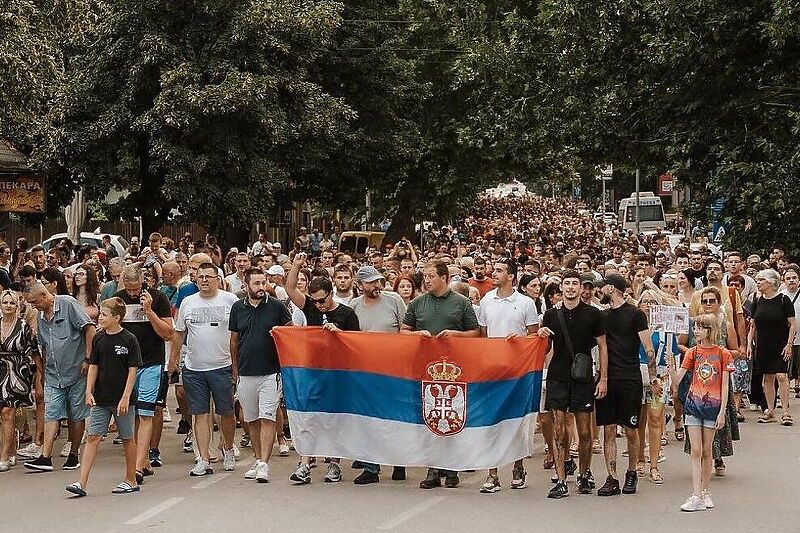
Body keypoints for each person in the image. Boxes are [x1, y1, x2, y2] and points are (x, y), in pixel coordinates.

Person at [401, 260, 480, 489]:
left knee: (453, 416)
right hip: (426, 369)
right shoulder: (417, 303)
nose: (426, 280)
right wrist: (418, 334)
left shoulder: (461, 303)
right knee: (430, 417)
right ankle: (433, 468)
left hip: (455, 370)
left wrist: (456, 335)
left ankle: (452, 467)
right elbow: (403, 331)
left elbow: (475, 333)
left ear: (444, 277)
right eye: (424, 276)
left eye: (431, 276)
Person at [285, 252, 360, 484]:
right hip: (313, 371)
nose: (319, 305)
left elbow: (358, 345)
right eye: (315, 301)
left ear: (331, 294)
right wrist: (296, 266)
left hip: (338, 374)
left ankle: (335, 465)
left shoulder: (347, 313)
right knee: (309, 417)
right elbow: (290, 290)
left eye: (322, 300)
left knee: (335, 419)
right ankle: (305, 463)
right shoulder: (310, 308)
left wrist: (340, 334)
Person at [538, 270, 606, 498]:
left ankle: (585, 473)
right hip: (558, 376)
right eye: (566, 284)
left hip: (583, 378)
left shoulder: (593, 314)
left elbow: (603, 346)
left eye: (574, 284)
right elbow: (545, 349)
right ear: (561, 288)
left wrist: (603, 378)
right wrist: (542, 336)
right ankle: (560, 479)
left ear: (581, 288)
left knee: (585, 432)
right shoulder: (550, 315)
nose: (570, 288)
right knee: (559, 432)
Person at [64, 298, 142, 497]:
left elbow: (132, 370)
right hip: (101, 398)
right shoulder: (98, 338)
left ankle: (131, 479)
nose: (100, 317)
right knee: (93, 437)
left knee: (127, 438)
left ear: (117, 318)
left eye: (105, 314)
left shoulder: (129, 339)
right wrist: (89, 391)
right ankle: (82, 482)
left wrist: (125, 397)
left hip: (122, 399)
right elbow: (93, 366)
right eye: (100, 313)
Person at [168, 262, 239, 477]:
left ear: (218, 279)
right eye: (201, 277)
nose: (205, 280)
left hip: (222, 366)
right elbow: (179, 333)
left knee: (225, 412)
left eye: (209, 276)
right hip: (194, 368)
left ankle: (227, 447)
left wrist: (237, 365)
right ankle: (203, 458)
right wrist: (173, 360)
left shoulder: (230, 300)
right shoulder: (188, 302)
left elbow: (238, 334)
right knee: (199, 413)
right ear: (195, 280)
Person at [477, 259, 541, 494]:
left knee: (516, 421)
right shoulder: (486, 301)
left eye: (500, 270)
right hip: (493, 371)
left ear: (511, 276)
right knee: (492, 421)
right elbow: (484, 337)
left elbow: (535, 338)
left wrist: (520, 341)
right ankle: (492, 474)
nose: (494, 273)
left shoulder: (525, 303)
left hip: (518, 372)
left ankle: (518, 467)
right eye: (495, 269)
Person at [22, 282, 96, 472]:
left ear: (44, 296)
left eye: (34, 302)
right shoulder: (40, 315)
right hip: (54, 372)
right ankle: (45, 457)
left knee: (76, 414)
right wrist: (43, 372)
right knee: (51, 413)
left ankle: (73, 453)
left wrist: (88, 358)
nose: (33, 306)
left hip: (76, 370)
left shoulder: (67, 304)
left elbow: (89, 329)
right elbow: (44, 345)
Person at [594, 273, 655, 496]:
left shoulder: (636, 314)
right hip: (607, 379)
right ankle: (612, 477)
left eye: (603, 288)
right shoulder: (602, 316)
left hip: (630, 378)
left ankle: (632, 473)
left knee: (631, 429)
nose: (600, 291)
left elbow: (648, 347)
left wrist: (654, 377)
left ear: (612, 288)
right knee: (608, 429)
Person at [230, 267, 292, 484]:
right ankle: (257, 459)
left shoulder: (277, 307)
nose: (260, 287)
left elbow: (290, 333)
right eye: (255, 283)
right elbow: (234, 341)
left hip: (271, 373)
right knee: (252, 419)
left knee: (267, 417)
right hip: (246, 373)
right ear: (246, 285)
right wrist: (235, 370)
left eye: (263, 282)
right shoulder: (237, 308)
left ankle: (264, 464)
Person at [348, 265, 408, 484]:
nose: (376, 286)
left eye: (379, 281)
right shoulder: (354, 305)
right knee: (368, 420)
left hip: (393, 371)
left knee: (395, 418)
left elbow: (406, 330)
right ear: (360, 285)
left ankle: (398, 461)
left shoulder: (394, 300)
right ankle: (371, 467)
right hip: (365, 372)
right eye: (371, 282)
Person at [114, 266, 174, 482]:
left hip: (151, 363)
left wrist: (149, 311)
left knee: (146, 412)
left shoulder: (158, 298)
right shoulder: (118, 299)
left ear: (144, 283)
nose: (132, 293)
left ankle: (139, 465)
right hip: (125, 366)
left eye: (136, 288)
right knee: (130, 414)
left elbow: (168, 334)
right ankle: (144, 461)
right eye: (128, 289)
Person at [674, 314, 732, 512]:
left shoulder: (723, 354)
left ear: (710, 329)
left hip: (712, 407)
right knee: (696, 450)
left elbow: (725, 385)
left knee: (707, 451)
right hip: (693, 405)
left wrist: (722, 412)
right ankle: (696, 494)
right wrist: (671, 367)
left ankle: (705, 490)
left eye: (700, 327)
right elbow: (678, 379)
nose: (696, 331)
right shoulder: (692, 352)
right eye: (695, 327)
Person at [0, 290, 40, 471]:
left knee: (7, 413)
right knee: (2, 415)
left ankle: (4, 456)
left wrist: (40, 374)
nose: (8, 305)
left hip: (17, 371)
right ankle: (12, 450)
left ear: (17, 306)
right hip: (0, 370)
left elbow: (33, 350)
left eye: (11, 303)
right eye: (5, 302)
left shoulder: (23, 326)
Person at [749, 269, 796, 425]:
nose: (758, 282)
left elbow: (792, 324)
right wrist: (749, 343)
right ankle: (770, 411)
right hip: (763, 345)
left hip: (781, 344)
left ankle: (785, 412)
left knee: (781, 376)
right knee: (767, 378)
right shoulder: (757, 299)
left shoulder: (783, 300)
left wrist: (789, 344)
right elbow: (753, 325)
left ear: (770, 282)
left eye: (761, 279)